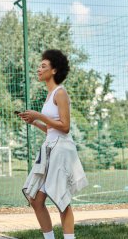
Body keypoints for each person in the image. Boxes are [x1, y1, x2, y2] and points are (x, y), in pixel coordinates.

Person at [18, 49, 88, 239]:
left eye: (43, 66)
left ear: (54, 70)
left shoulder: (60, 93)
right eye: (39, 66)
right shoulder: (50, 96)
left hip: (61, 151)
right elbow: (52, 129)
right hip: (50, 149)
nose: (39, 69)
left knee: (61, 199)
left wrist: (39, 115)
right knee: (35, 199)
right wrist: (35, 122)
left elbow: (65, 127)